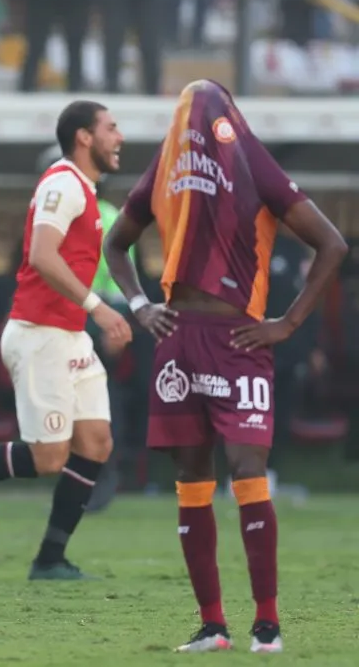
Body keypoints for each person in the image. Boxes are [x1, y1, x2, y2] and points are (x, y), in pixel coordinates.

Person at [102, 79, 346, 653]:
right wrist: (140, 305)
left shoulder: (251, 160)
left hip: (238, 337)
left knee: (246, 467)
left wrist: (287, 323)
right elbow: (117, 243)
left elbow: (331, 243)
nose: (195, 116)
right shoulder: (167, 163)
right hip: (179, 337)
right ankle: (213, 625)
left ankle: (267, 623)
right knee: (191, 479)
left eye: (205, 108)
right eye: (187, 108)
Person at [0, 101, 131, 581]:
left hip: (69, 336)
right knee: (48, 457)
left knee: (95, 443)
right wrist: (99, 306)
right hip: (40, 335)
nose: (120, 138)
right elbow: (41, 254)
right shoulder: (62, 182)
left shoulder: (88, 191)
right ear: (84, 138)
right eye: (111, 129)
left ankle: (50, 557)